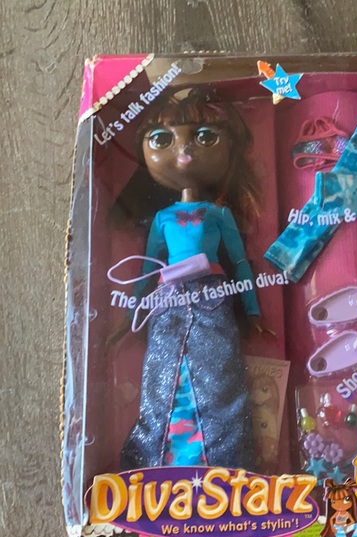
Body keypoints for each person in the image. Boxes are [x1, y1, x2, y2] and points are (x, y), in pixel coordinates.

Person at [118, 88, 266, 471]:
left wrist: (252, 310)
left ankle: (224, 463)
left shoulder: (219, 214)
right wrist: (131, 312)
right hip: (167, 300)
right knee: (162, 375)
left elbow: (239, 261)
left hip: (212, 296)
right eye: (163, 140)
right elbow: (148, 268)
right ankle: (157, 462)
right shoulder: (163, 218)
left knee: (219, 378)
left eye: (203, 137)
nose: (184, 153)